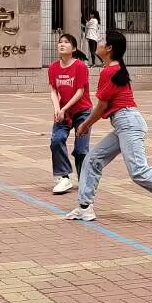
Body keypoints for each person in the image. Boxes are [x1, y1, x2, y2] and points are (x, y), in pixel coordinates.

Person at [66, 30, 152, 224]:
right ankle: (85, 208)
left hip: (128, 122)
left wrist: (85, 125)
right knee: (92, 160)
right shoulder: (114, 68)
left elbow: (102, 106)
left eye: (101, 40)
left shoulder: (109, 71)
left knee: (138, 170)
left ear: (109, 48)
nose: (97, 42)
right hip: (124, 123)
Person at [48, 34, 93, 195]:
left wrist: (63, 108)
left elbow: (80, 92)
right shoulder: (53, 67)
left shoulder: (80, 66)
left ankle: (84, 179)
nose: (62, 44)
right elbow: (53, 91)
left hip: (82, 112)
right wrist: (57, 109)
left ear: (73, 48)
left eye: (66, 42)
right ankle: (64, 177)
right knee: (56, 140)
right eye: (60, 42)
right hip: (63, 113)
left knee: (81, 150)